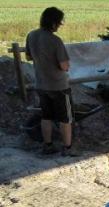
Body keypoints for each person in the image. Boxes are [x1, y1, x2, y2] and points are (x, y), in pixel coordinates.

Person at [25, 7, 78, 156]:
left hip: (41, 84)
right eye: (59, 23)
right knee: (65, 118)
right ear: (53, 23)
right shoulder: (55, 41)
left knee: (46, 116)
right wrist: (65, 65)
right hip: (59, 86)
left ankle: (47, 146)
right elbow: (64, 66)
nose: (59, 26)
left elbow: (29, 57)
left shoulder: (31, 35)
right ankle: (67, 148)